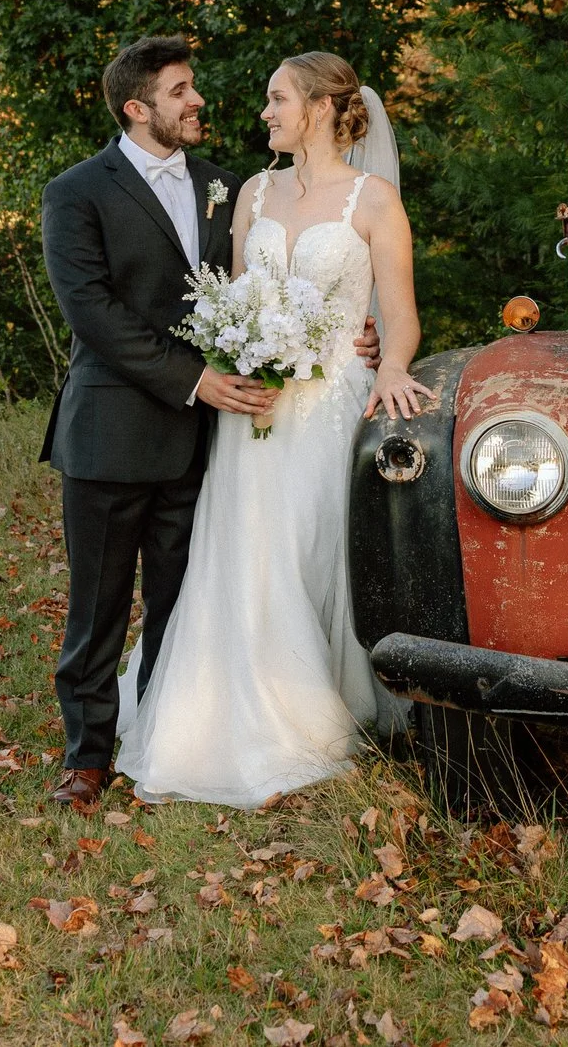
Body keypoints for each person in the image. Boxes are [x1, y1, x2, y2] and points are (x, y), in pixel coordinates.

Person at [37, 37, 382, 814]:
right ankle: (86, 758)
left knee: (179, 598)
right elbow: (92, 312)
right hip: (113, 429)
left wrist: (355, 336)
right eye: (181, 91)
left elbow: (269, 290)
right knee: (97, 607)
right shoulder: (77, 193)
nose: (198, 102)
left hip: (206, 441)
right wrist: (197, 381)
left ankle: (160, 728)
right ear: (139, 107)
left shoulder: (229, 188)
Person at [111, 51, 436, 808]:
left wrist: (391, 363)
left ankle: (320, 702)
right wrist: (234, 351)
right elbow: (233, 299)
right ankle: (227, 712)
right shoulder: (252, 192)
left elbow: (400, 310)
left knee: (313, 552)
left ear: (320, 107)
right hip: (254, 403)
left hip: (328, 405)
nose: (265, 111)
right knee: (246, 551)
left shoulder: (374, 199)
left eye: (277, 98)